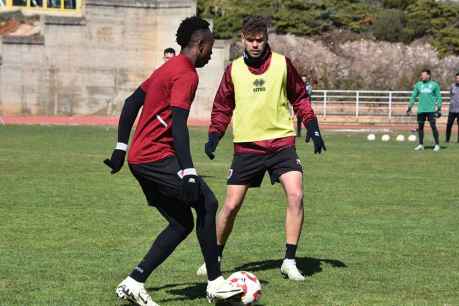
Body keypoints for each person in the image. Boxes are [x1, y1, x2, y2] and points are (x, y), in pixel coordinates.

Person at [104, 16, 242, 306]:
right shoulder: (186, 74)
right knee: (207, 203)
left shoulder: (166, 68)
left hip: (140, 159)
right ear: (200, 44)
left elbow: (131, 103)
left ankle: (134, 281)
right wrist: (190, 172)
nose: (209, 54)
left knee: (181, 224)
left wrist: (120, 148)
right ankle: (215, 283)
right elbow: (178, 125)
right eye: (210, 48)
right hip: (155, 157)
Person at [196, 16, 326, 282]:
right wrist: (214, 135)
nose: (255, 45)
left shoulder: (281, 64)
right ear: (242, 39)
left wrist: (312, 126)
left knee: (296, 195)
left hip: (281, 144)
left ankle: (289, 261)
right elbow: (223, 107)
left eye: (260, 40)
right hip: (247, 147)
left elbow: (299, 96)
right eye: (251, 40)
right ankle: (214, 257)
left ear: (266, 39)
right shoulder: (233, 70)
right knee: (231, 205)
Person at [406, 69, 442, 152]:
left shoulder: (434, 85)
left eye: (424, 75)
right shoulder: (418, 85)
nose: (422, 76)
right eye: (421, 75)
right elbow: (413, 96)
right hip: (421, 110)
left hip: (431, 110)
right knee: (420, 127)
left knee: (433, 127)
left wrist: (439, 108)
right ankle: (420, 144)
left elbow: (439, 97)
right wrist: (409, 107)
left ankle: (437, 145)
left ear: (428, 75)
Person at [446, 72, 459, 143]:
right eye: (457, 78)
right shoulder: (452, 86)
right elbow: (451, 95)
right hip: (452, 110)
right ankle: (447, 140)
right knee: (449, 125)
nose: (458, 79)